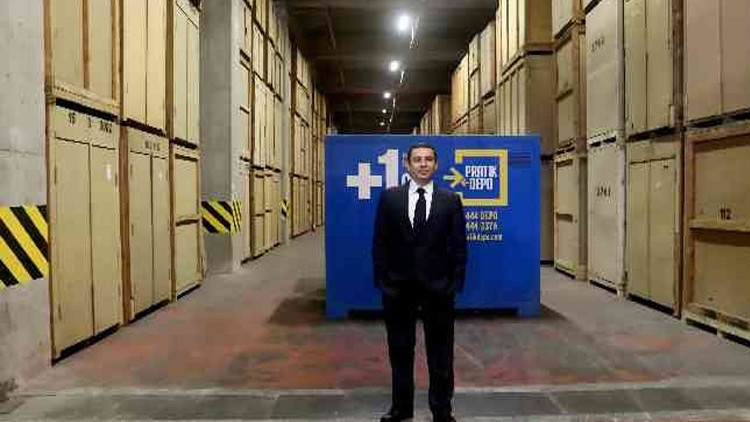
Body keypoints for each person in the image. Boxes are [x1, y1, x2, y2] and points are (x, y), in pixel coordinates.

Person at [372, 143, 467, 422]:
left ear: (436, 165)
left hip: (438, 290)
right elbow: (380, 242)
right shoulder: (390, 199)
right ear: (407, 164)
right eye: (417, 159)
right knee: (400, 352)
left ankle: (442, 411)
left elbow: (459, 246)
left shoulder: (450, 201)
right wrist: (383, 280)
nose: (423, 164)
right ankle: (401, 409)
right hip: (398, 290)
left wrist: (453, 283)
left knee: (441, 354)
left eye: (428, 159)